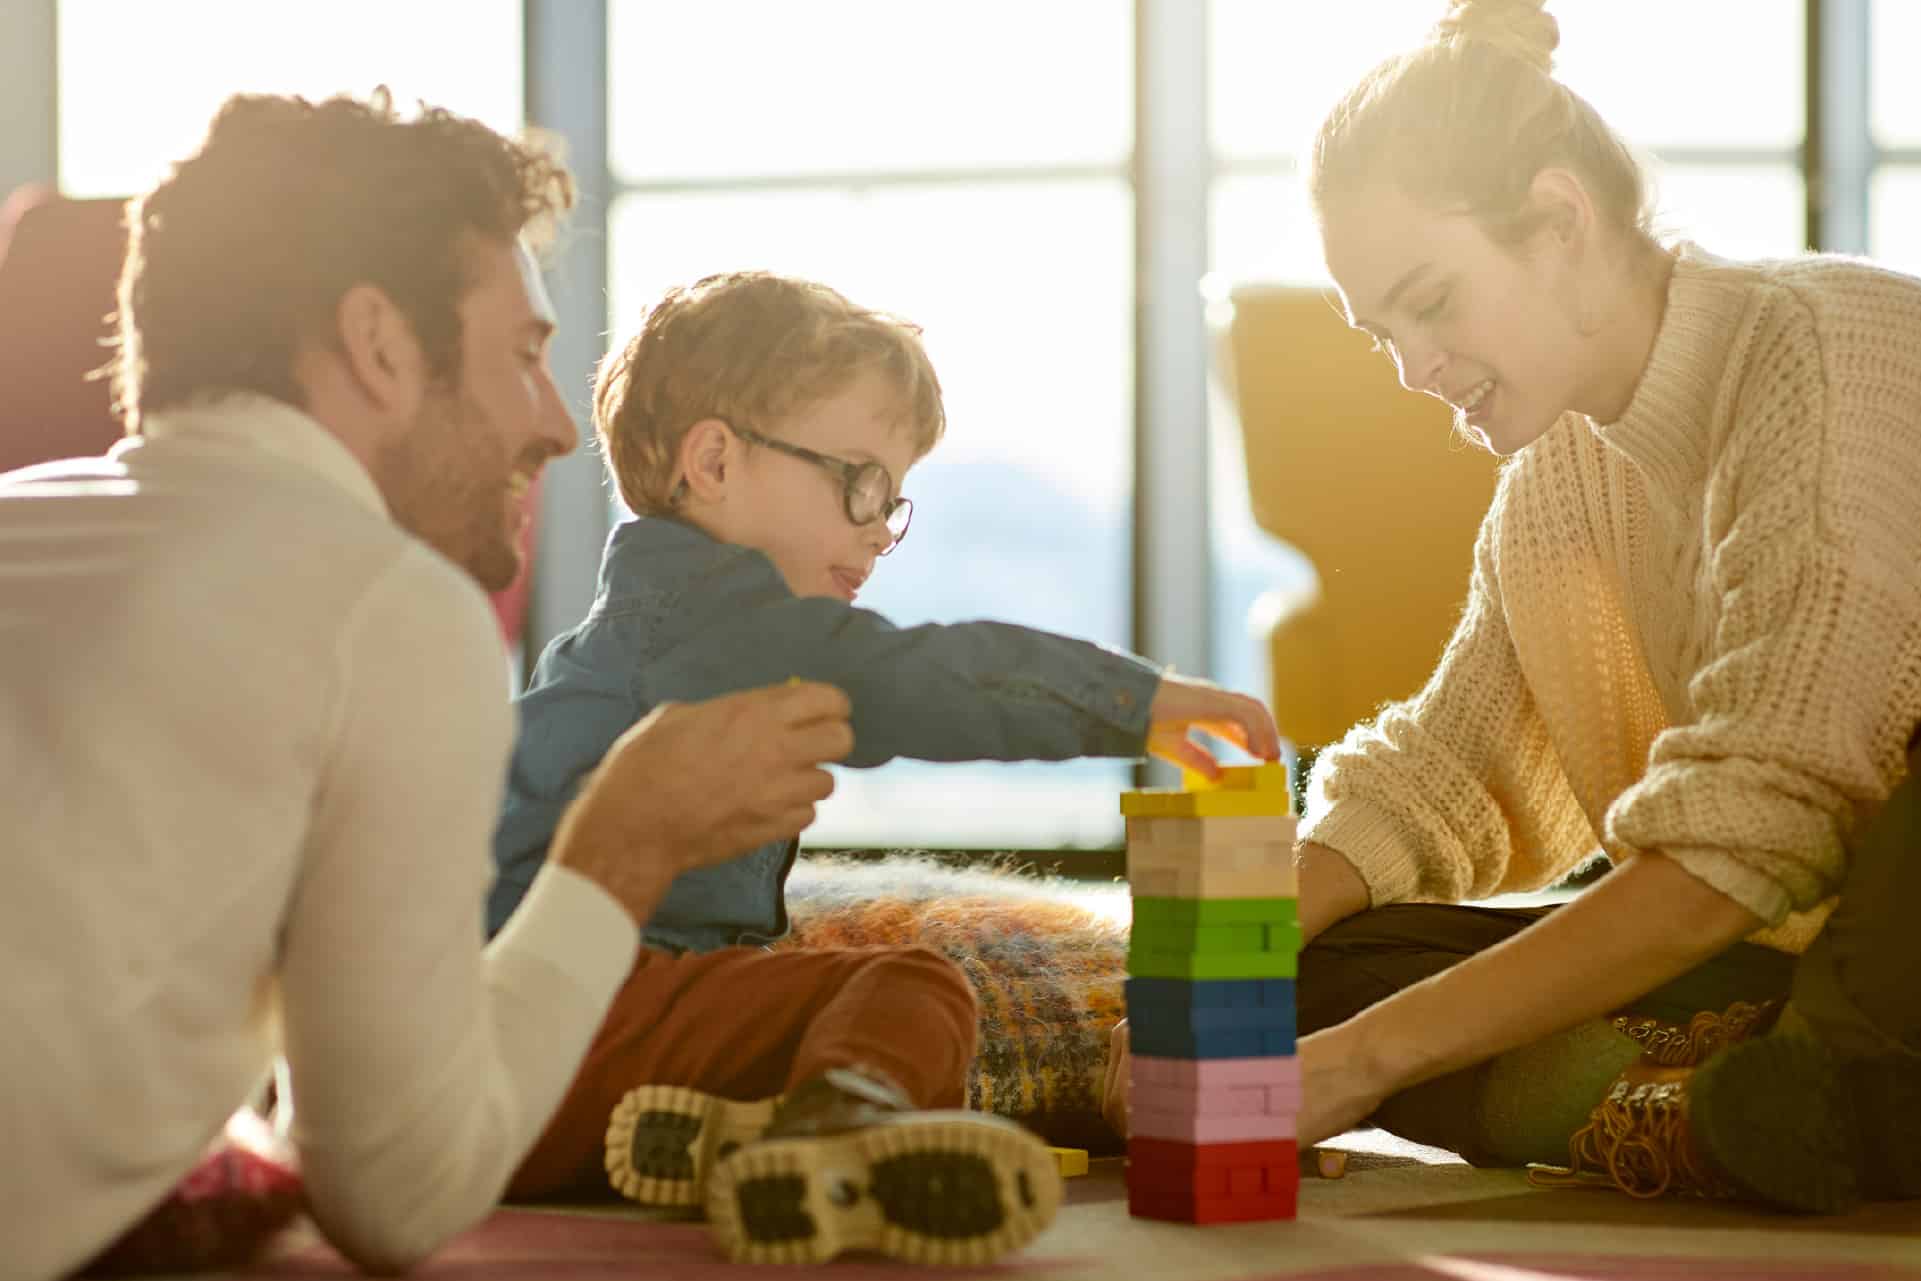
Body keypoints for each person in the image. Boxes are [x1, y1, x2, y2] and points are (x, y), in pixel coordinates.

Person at [0, 90, 1033, 1280]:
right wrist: (623, 842)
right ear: (382, 343)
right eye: (525, 355)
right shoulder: (383, 604)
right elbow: (398, 1197)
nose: (553, 423)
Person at [1107, 0, 1921, 1213]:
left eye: (1431, 302)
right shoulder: (1559, 477)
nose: (1414, 370)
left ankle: (1772, 1097)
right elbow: (1452, 770)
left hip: (1883, 937)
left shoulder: (1821, 347)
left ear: (1557, 221)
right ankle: (1727, 1107)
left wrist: (1361, 1065)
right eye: (1381, 332)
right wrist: (1204, 974)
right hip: (1790, 965)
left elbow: (1754, 826)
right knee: (1324, 969)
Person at [489, 270, 1284, 1231]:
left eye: (893, 504)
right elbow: (931, 680)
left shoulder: (614, 642)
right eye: (858, 483)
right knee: (908, 985)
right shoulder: (718, 627)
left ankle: (740, 1137)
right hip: (574, 1026)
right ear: (713, 461)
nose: (875, 534)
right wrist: (1140, 703)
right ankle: (843, 1130)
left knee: (802, 999)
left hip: (546, 1074)